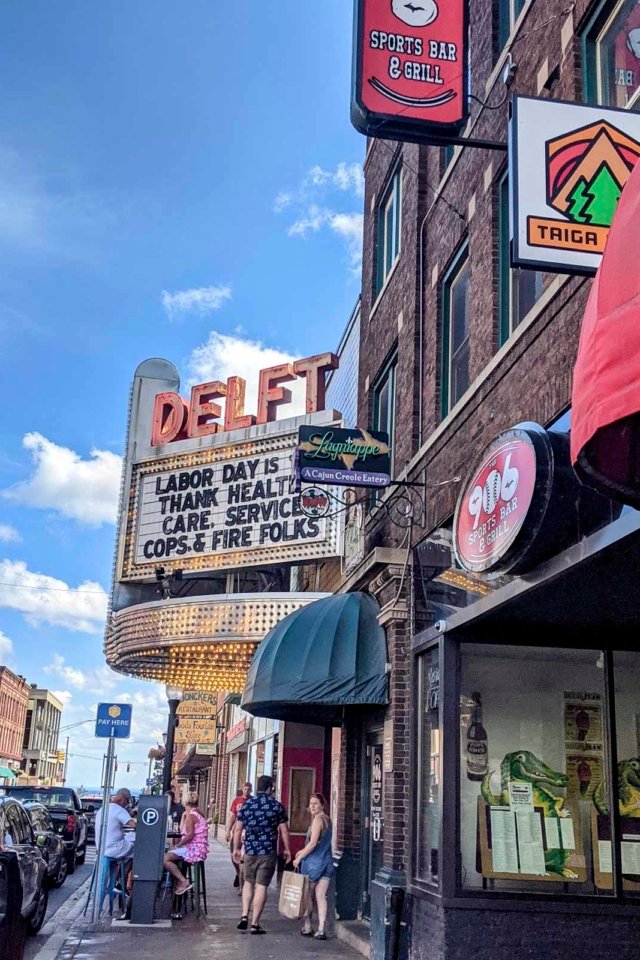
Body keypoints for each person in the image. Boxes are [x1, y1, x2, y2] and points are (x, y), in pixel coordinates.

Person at [232, 774, 291, 935]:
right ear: (270, 788)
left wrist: (236, 848)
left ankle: (244, 915)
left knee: (248, 883)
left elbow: (238, 829)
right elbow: (284, 830)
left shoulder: (247, 805)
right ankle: (255, 923)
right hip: (268, 851)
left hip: (250, 851)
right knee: (262, 886)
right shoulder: (276, 806)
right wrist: (287, 848)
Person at [293, 793, 335, 941]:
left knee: (308, 896)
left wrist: (300, 857)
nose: (312, 806)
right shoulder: (328, 820)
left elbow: (312, 844)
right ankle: (322, 928)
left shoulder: (318, 820)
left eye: (316, 803)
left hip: (313, 864)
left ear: (322, 805)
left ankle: (308, 926)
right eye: (311, 803)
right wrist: (301, 852)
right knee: (321, 896)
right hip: (327, 862)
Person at [164, 794, 209, 896]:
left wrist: (178, 845)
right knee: (172, 853)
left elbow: (189, 836)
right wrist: (184, 817)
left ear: (186, 803)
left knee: (165, 859)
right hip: (200, 850)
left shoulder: (191, 816)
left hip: (193, 850)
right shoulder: (200, 814)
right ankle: (179, 881)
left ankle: (183, 881)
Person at [94, 787, 136, 861]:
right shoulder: (119, 810)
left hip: (101, 848)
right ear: (123, 800)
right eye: (127, 801)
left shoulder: (102, 809)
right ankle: (126, 872)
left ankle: (119, 869)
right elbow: (133, 826)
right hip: (115, 849)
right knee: (136, 843)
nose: (126, 805)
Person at [226, 782, 252, 888]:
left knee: (244, 856)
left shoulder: (252, 801)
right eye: (245, 789)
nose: (246, 791)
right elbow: (232, 816)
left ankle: (244, 877)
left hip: (247, 832)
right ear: (242, 789)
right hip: (236, 831)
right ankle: (238, 872)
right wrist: (228, 831)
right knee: (234, 855)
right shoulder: (237, 801)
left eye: (248, 789)